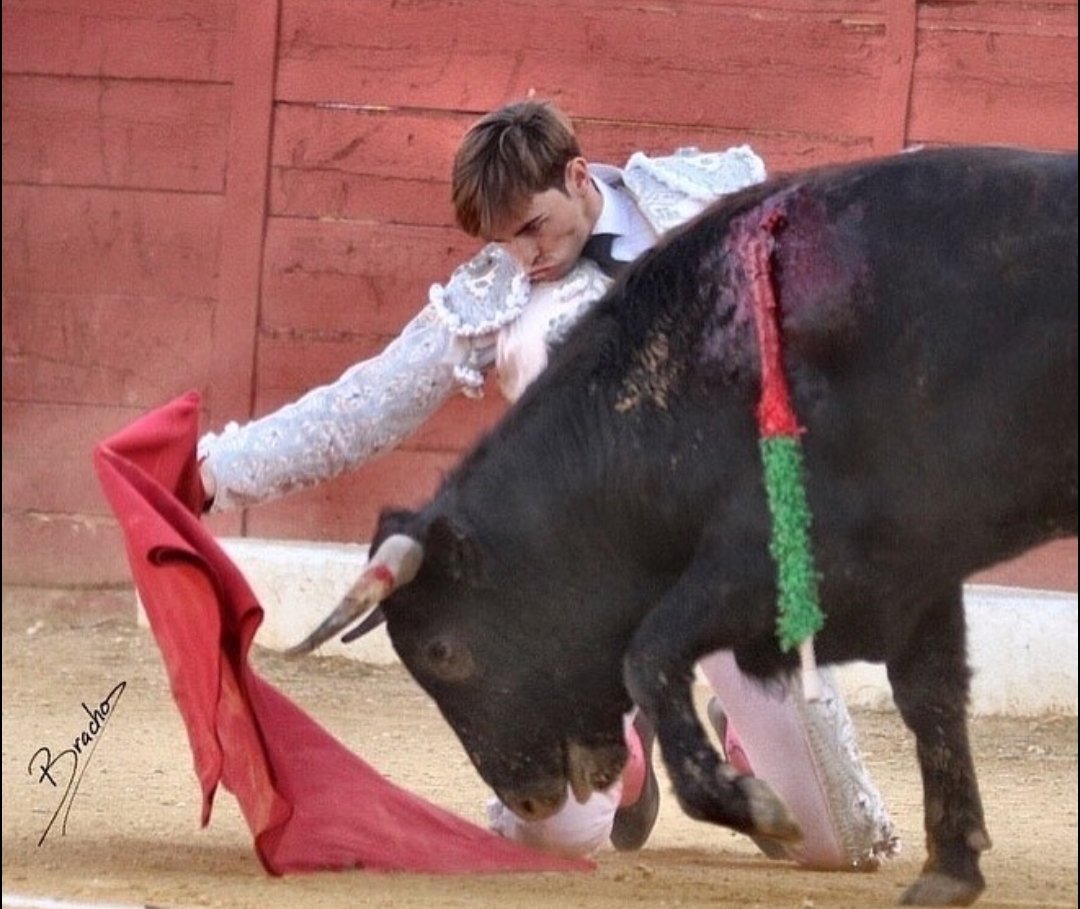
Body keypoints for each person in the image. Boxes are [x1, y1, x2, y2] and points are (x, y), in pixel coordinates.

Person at [198, 99, 898, 868]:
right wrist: (212, 472)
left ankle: (742, 734)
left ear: (575, 175)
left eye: (533, 226)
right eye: (503, 241)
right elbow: (357, 410)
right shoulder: (492, 299)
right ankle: (625, 755)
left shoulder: (711, 199)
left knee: (839, 848)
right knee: (549, 838)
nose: (523, 257)